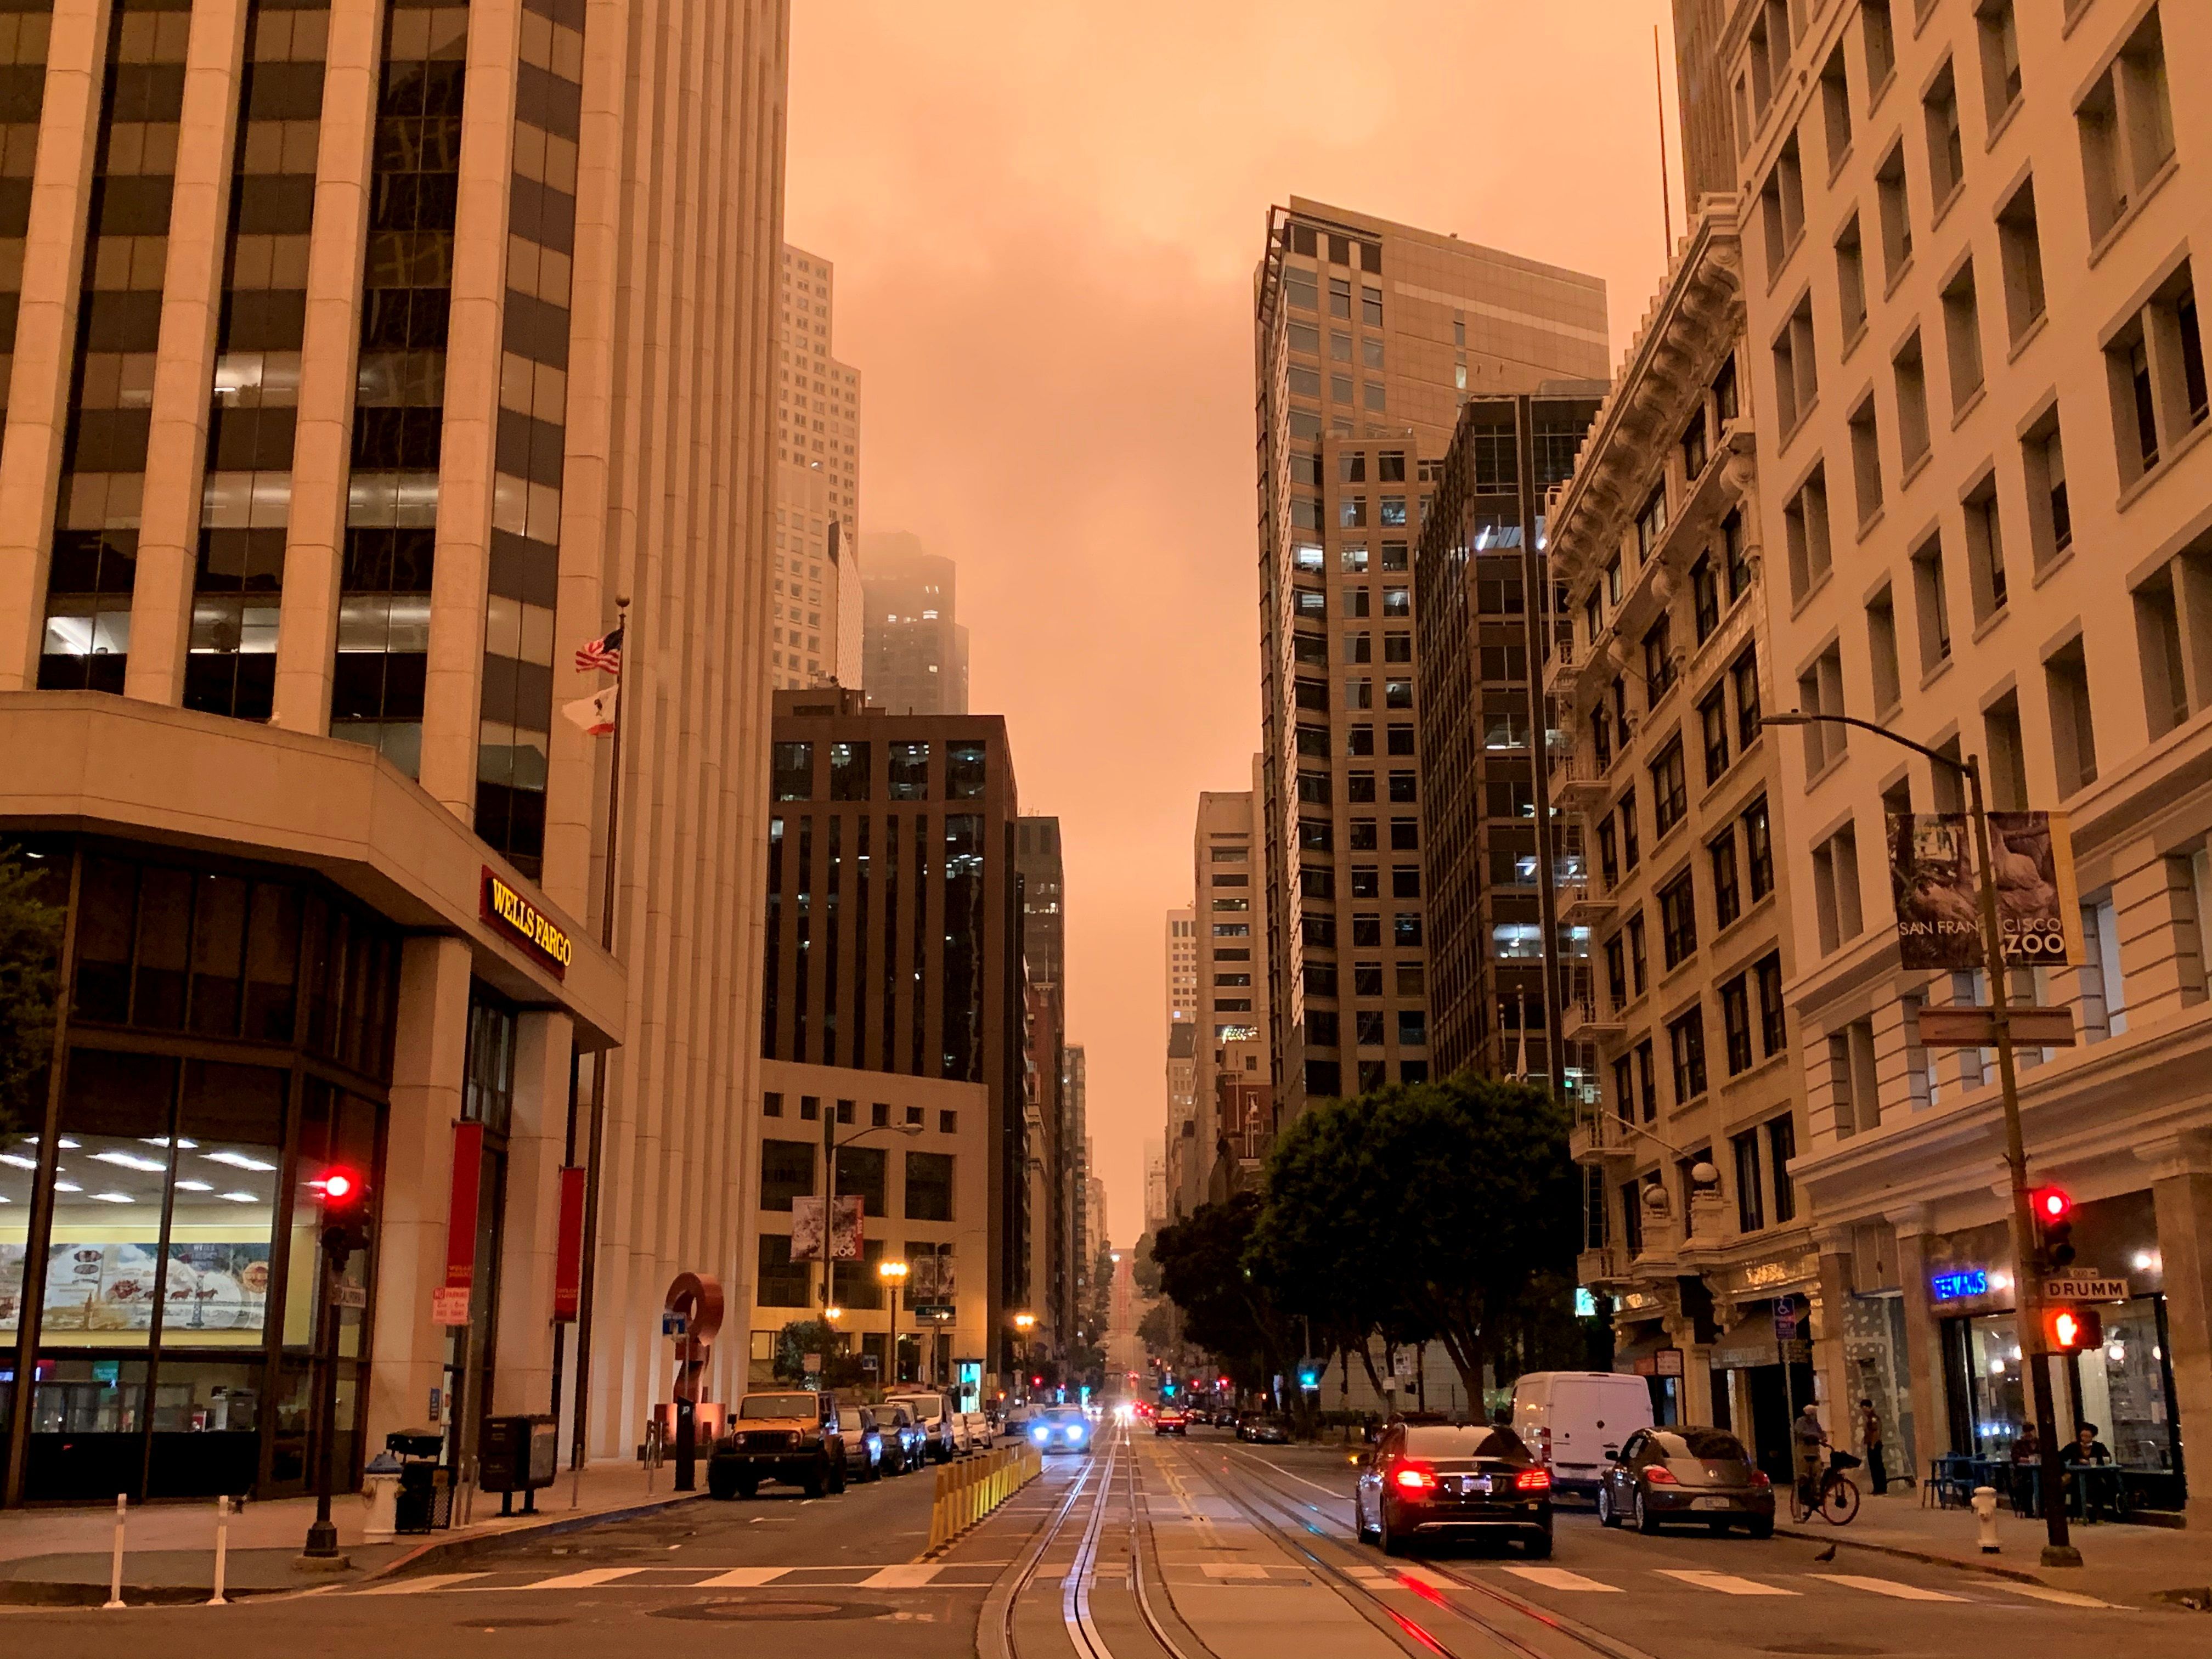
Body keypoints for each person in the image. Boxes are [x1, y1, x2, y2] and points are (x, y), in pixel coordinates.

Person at [1793, 1403, 1829, 1509]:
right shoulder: (1800, 1422)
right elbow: (1800, 1433)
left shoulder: (1815, 1423)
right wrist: (1813, 1435)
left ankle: (1816, 1493)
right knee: (1804, 1474)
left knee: (1817, 1471)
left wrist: (1823, 1437)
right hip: (1804, 1450)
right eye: (1811, 1414)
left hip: (1814, 1450)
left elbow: (1821, 1432)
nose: (1813, 1416)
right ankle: (1804, 1494)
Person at [1858, 1398, 1888, 1496]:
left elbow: (1876, 1432)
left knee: (1877, 1467)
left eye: (1864, 1408)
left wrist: (1872, 1445)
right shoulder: (1871, 1418)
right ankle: (1878, 1488)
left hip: (1874, 1445)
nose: (1863, 1411)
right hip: (1872, 1444)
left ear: (1868, 1407)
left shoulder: (1873, 1418)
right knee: (1875, 1467)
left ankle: (1881, 1489)